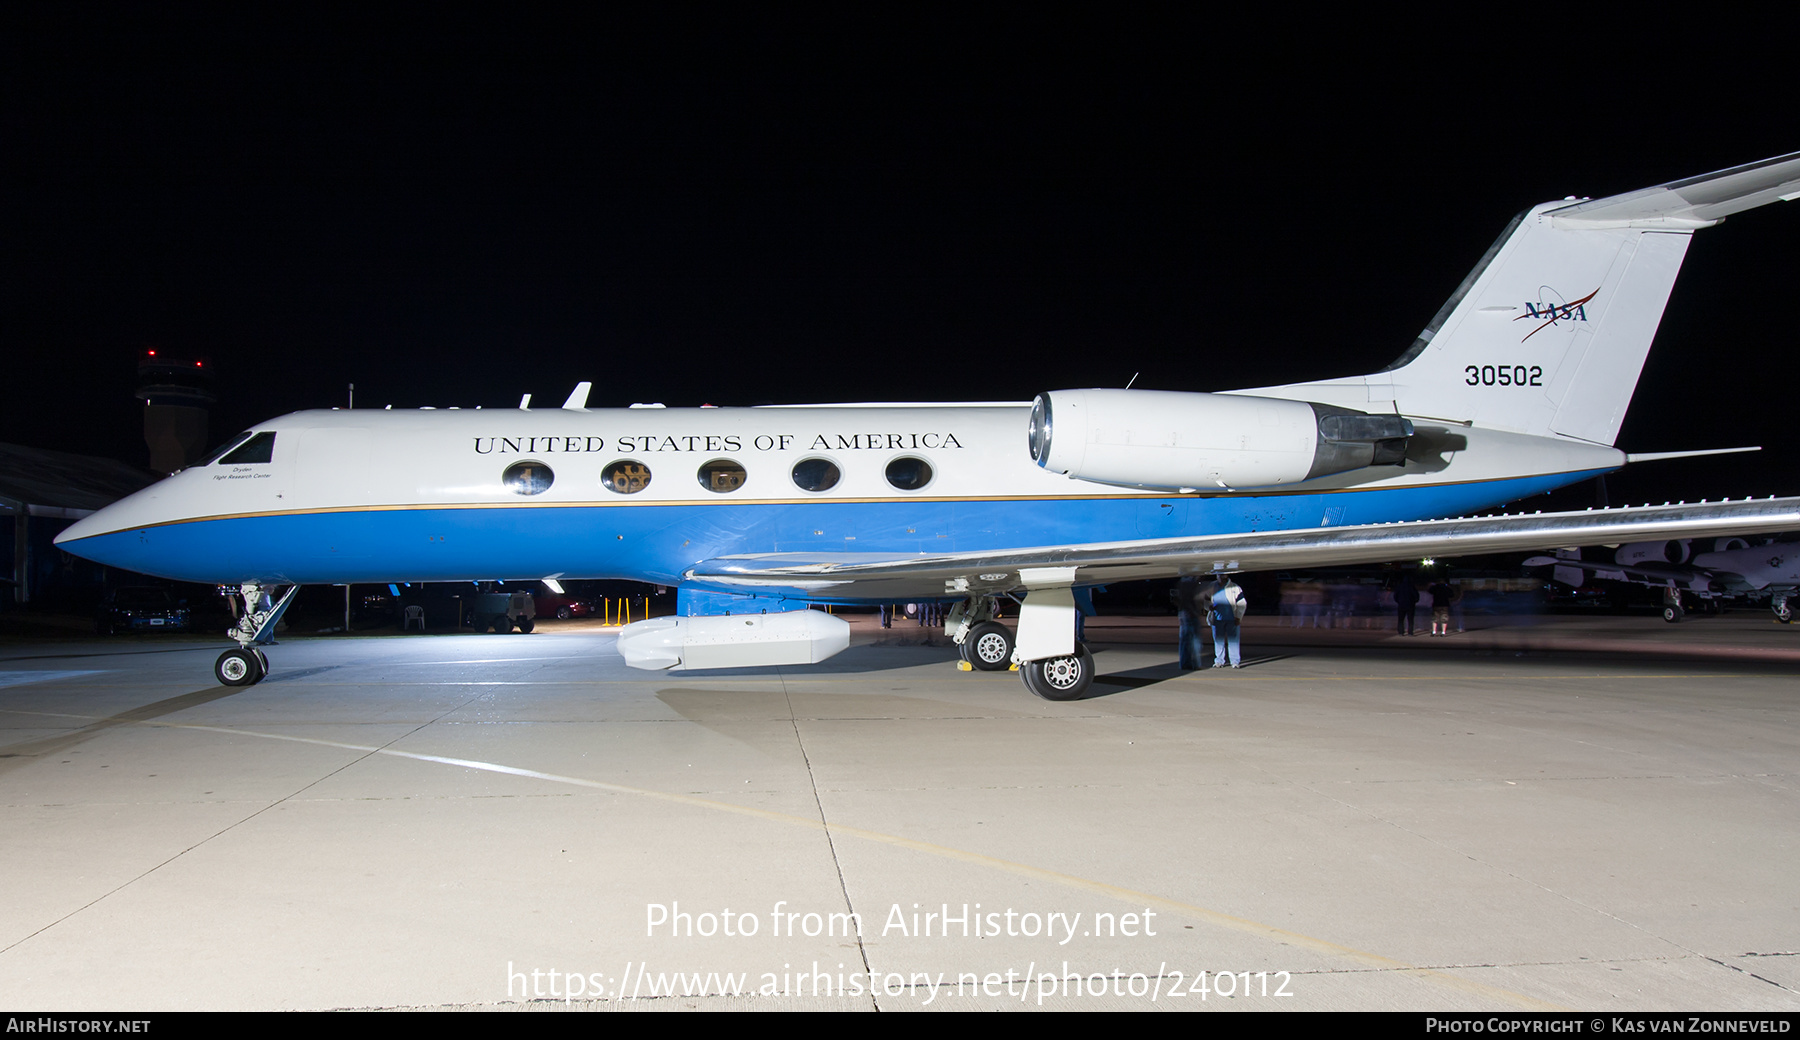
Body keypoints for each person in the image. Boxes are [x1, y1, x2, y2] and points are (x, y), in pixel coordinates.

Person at [1210, 578, 1247, 668]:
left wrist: (1238, 617)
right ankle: (1219, 661)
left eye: (1222, 574)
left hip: (1231, 619)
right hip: (1217, 619)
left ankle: (1235, 661)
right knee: (1218, 641)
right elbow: (1206, 601)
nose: (1220, 577)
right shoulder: (1211, 586)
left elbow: (1242, 603)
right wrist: (1208, 607)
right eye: (1219, 574)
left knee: (1233, 641)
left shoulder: (1235, 587)